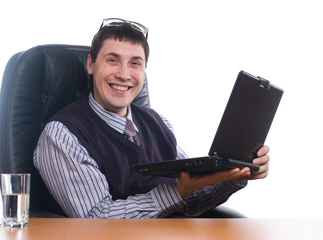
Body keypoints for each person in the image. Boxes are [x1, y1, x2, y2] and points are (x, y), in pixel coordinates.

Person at [33, 18, 270, 218]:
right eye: (112, 60)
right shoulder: (62, 134)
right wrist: (177, 193)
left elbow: (191, 202)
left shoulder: (159, 123)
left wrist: (236, 174)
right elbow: (97, 217)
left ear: (144, 71)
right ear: (91, 64)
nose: (124, 74)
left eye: (135, 63)